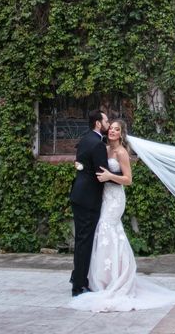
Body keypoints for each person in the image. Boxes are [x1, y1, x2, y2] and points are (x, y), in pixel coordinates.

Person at [68, 119, 175, 312]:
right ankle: (100, 277)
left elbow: (128, 179)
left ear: (122, 133)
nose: (113, 131)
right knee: (100, 233)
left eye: (117, 129)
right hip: (102, 197)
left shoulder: (122, 152)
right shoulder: (103, 148)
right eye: (111, 128)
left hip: (115, 199)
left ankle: (117, 277)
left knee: (107, 229)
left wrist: (110, 177)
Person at [70, 109, 109, 297]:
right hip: (88, 199)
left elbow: (80, 165)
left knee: (81, 240)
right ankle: (79, 286)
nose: (108, 125)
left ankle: (76, 277)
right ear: (98, 124)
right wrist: (123, 177)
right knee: (85, 241)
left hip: (79, 195)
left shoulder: (85, 139)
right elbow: (103, 175)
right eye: (106, 121)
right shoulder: (98, 145)